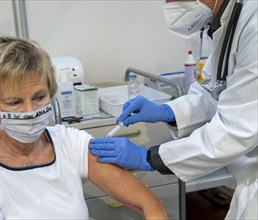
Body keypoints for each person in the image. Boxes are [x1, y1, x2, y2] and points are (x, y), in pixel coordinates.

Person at [0, 36, 167, 219]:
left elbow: (149, 205)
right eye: (14, 102)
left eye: (39, 97)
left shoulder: (70, 142)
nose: (30, 111)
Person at [90, 0, 257, 219]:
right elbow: (213, 90)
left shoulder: (253, 22)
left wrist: (148, 158)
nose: (169, 4)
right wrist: (167, 111)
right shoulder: (227, 21)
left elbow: (236, 129)